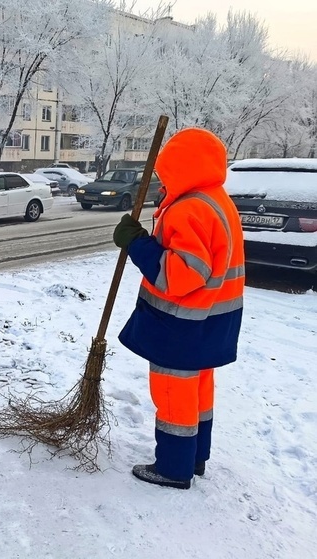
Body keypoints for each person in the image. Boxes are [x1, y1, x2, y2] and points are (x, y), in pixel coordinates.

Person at [112, 128, 245, 489]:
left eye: (164, 171)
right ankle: (194, 457)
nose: (160, 179)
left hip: (182, 325)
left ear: (181, 167)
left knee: (174, 396)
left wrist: (138, 244)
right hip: (211, 321)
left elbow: (182, 275)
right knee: (199, 392)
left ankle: (173, 467)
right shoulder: (216, 199)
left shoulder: (191, 209)